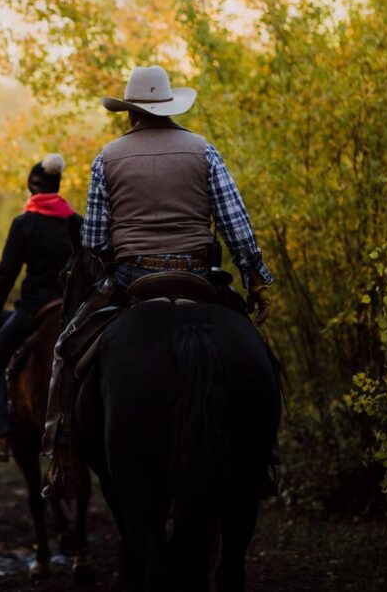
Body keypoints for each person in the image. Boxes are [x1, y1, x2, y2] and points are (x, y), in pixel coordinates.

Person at [41, 65, 275, 497]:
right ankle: (263, 460)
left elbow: (93, 241)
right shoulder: (204, 151)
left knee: (65, 351)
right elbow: (235, 225)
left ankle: (64, 461)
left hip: (134, 277)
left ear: (129, 112)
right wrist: (255, 278)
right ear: (169, 106)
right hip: (199, 276)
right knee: (260, 353)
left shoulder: (106, 158)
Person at [0, 154, 81, 462]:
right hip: (73, 313)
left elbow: (5, 275)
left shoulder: (24, 224)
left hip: (34, 310)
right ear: (57, 187)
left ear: (32, 189)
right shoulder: (76, 222)